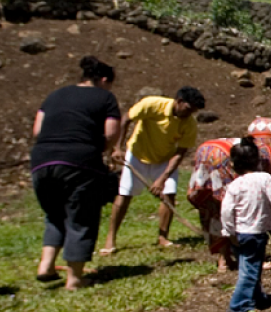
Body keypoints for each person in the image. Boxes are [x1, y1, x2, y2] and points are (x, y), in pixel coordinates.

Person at [30, 56, 122, 290]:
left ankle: (46, 266)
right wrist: (98, 151)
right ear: (103, 79)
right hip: (80, 163)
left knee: (54, 214)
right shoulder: (105, 97)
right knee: (81, 216)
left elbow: (37, 130)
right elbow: (111, 133)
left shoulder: (54, 96)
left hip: (41, 161)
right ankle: (75, 278)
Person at [101, 86, 206, 255]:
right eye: (188, 109)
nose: (190, 114)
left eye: (193, 111)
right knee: (124, 195)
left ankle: (163, 237)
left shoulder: (189, 124)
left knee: (169, 195)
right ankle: (110, 238)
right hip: (137, 154)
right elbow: (126, 119)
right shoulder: (151, 104)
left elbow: (181, 152)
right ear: (179, 102)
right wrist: (117, 148)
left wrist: (162, 178)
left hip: (164, 160)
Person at [186, 127, 271, 271]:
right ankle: (252, 260)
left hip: (207, 150)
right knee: (242, 210)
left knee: (214, 205)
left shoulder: (269, 157)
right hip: (224, 156)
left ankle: (225, 259)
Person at [221, 138, 271, 312]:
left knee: (248, 268)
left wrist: (229, 231)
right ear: (258, 161)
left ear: (233, 164)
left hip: (238, 233)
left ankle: (258, 297)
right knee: (250, 271)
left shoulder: (234, 185)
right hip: (255, 234)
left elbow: (226, 210)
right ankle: (239, 306)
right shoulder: (265, 178)